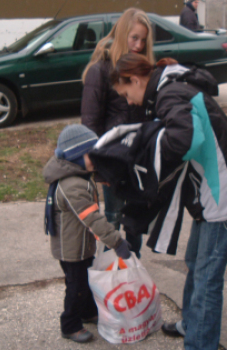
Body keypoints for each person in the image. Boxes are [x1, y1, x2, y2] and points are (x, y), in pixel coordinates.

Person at [110, 53, 227, 350]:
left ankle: (200, 343)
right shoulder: (171, 88)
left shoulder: (169, 94)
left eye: (126, 94)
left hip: (223, 196)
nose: (129, 102)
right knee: (196, 262)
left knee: (207, 277)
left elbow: (185, 140)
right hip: (210, 193)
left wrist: (145, 150)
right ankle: (192, 324)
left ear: (136, 80)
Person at [43, 124, 131, 343]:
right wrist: (116, 241)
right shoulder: (72, 185)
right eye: (93, 154)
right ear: (76, 156)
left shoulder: (78, 174)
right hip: (71, 250)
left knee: (85, 281)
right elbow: (92, 218)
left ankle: (87, 311)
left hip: (81, 245)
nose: (98, 158)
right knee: (76, 286)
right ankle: (70, 324)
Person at [81, 8, 155, 258]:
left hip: (139, 159)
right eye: (134, 37)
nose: (139, 44)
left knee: (136, 220)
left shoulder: (142, 70)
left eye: (143, 40)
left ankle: (132, 272)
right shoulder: (100, 70)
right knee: (112, 220)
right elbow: (90, 123)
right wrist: (100, 165)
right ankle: (112, 271)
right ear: (123, 35)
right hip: (113, 160)